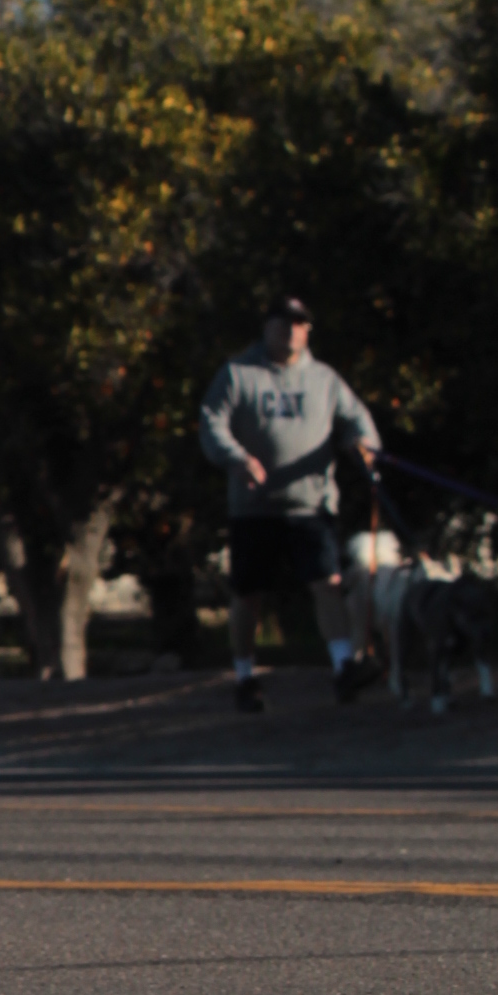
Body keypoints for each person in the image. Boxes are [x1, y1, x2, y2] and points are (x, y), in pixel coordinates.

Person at [196, 293, 381, 714]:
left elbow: (356, 418)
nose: (291, 331)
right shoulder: (238, 374)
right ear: (267, 327)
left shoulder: (324, 379)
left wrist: (364, 445)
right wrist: (236, 458)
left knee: (327, 582)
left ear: (308, 330)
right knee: (248, 593)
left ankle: (344, 668)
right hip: (253, 506)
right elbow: (211, 422)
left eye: (299, 324)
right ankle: (245, 676)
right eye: (283, 323)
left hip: (311, 503)